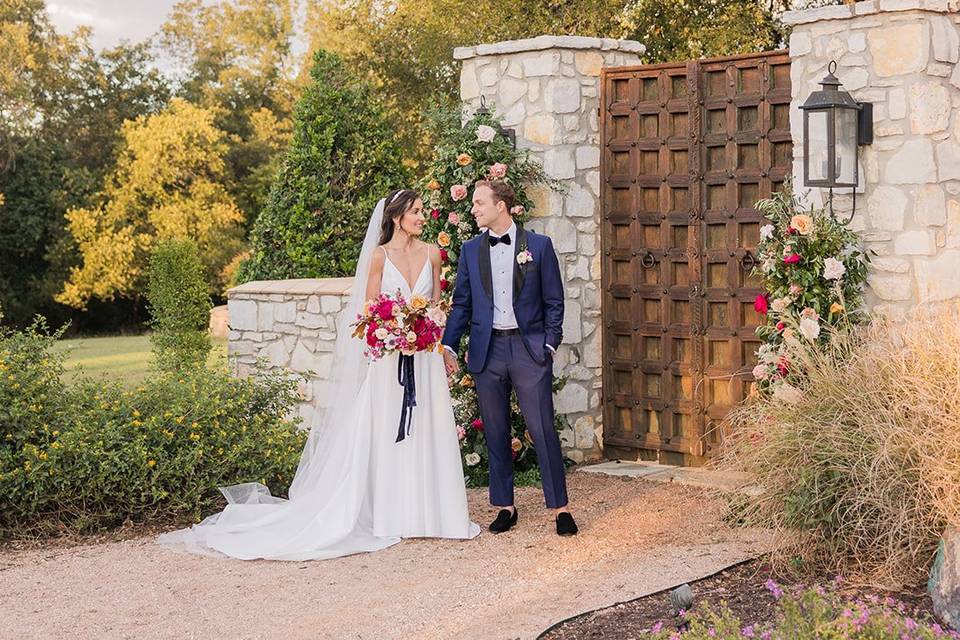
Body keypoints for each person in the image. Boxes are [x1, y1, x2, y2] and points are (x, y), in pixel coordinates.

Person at [158, 189, 480, 560]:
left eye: (423, 212)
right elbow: (367, 314)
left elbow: (437, 306)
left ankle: (435, 515)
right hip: (389, 363)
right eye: (417, 212)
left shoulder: (432, 254)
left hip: (423, 358)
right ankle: (393, 516)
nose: (423, 218)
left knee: (428, 427)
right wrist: (392, 331)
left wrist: (434, 339)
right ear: (396, 217)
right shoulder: (378, 257)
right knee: (386, 432)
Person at [441, 180, 578, 537]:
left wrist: (549, 344)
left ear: (500, 205)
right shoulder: (471, 250)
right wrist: (448, 345)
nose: (474, 209)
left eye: (479, 202)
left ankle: (560, 508)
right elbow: (462, 303)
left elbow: (554, 301)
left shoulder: (539, 246)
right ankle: (505, 506)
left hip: (529, 349)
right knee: (496, 431)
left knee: (542, 428)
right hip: (488, 351)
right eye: (472, 204)